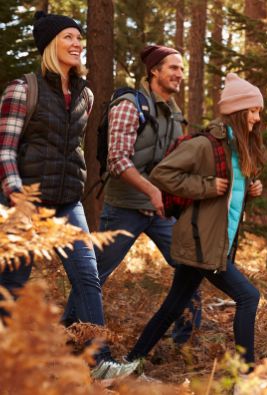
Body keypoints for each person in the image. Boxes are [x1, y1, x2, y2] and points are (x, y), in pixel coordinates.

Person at [0, 11, 138, 379]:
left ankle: (99, 361)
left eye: (80, 38)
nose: (78, 44)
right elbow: (5, 150)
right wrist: (18, 196)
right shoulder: (22, 89)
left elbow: (72, 148)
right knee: (13, 285)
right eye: (68, 37)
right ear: (50, 44)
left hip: (67, 203)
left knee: (87, 276)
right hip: (24, 202)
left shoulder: (86, 95)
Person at [62, 44, 201, 344]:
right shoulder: (129, 105)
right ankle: (69, 333)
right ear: (154, 71)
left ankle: (187, 343)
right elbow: (117, 160)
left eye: (181, 68)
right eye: (173, 68)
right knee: (95, 275)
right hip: (125, 206)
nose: (179, 74)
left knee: (190, 265)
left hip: (162, 211)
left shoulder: (175, 115)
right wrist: (152, 190)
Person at [126, 73, 264, 366]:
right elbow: (162, 174)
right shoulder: (205, 144)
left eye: (258, 111)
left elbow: (230, 197)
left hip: (214, 241)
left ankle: (129, 362)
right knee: (248, 297)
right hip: (202, 242)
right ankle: (247, 376)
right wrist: (205, 186)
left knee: (173, 307)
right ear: (238, 112)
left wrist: (251, 192)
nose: (257, 118)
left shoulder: (238, 148)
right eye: (253, 110)